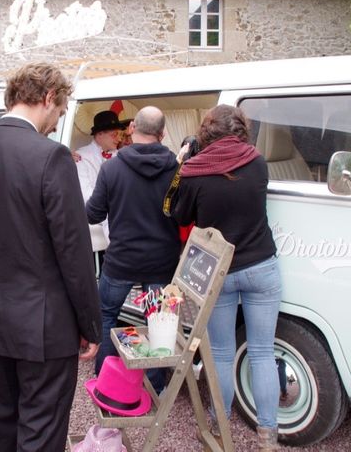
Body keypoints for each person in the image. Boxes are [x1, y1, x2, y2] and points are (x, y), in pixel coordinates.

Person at [0, 62, 102, 452]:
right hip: (45, 326)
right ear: (49, 97)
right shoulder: (51, 158)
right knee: (41, 433)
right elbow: (74, 252)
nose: (56, 123)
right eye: (59, 111)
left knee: (3, 428)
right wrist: (91, 324)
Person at [170, 104, 281, 451]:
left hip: (217, 271)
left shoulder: (193, 171)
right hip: (261, 265)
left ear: (206, 133)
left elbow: (177, 213)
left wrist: (181, 164)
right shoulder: (258, 162)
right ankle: (267, 436)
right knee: (262, 352)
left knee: (220, 353)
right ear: (241, 129)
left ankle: (220, 426)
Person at [85, 105, 181, 393]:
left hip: (121, 260)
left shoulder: (111, 168)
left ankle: (105, 380)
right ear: (163, 134)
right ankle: (154, 386)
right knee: (158, 322)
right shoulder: (177, 170)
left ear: (131, 129)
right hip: (161, 261)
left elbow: (93, 214)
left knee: (106, 315)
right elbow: (183, 213)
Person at [75, 110, 128, 255]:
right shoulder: (82, 157)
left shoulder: (122, 156)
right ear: (99, 134)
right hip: (98, 215)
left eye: (120, 134)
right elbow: (87, 196)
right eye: (114, 134)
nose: (118, 139)